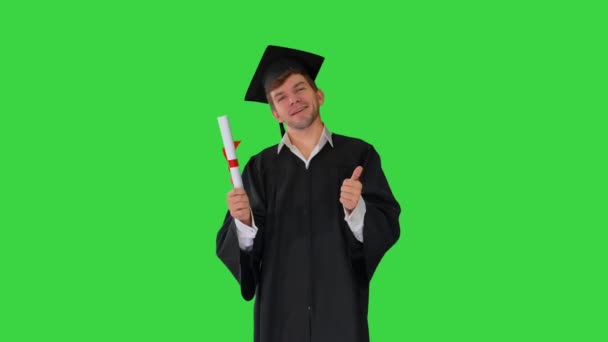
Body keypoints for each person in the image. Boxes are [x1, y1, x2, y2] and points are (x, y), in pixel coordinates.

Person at [216, 45, 401, 342]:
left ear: (319, 95)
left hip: (339, 308)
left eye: (299, 89)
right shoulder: (260, 167)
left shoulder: (359, 155)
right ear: (275, 113)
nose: (293, 100)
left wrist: (358, 210)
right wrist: (243, 222)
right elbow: (245, 255)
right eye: (281, 97)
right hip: (280, 314)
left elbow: (387, 224)